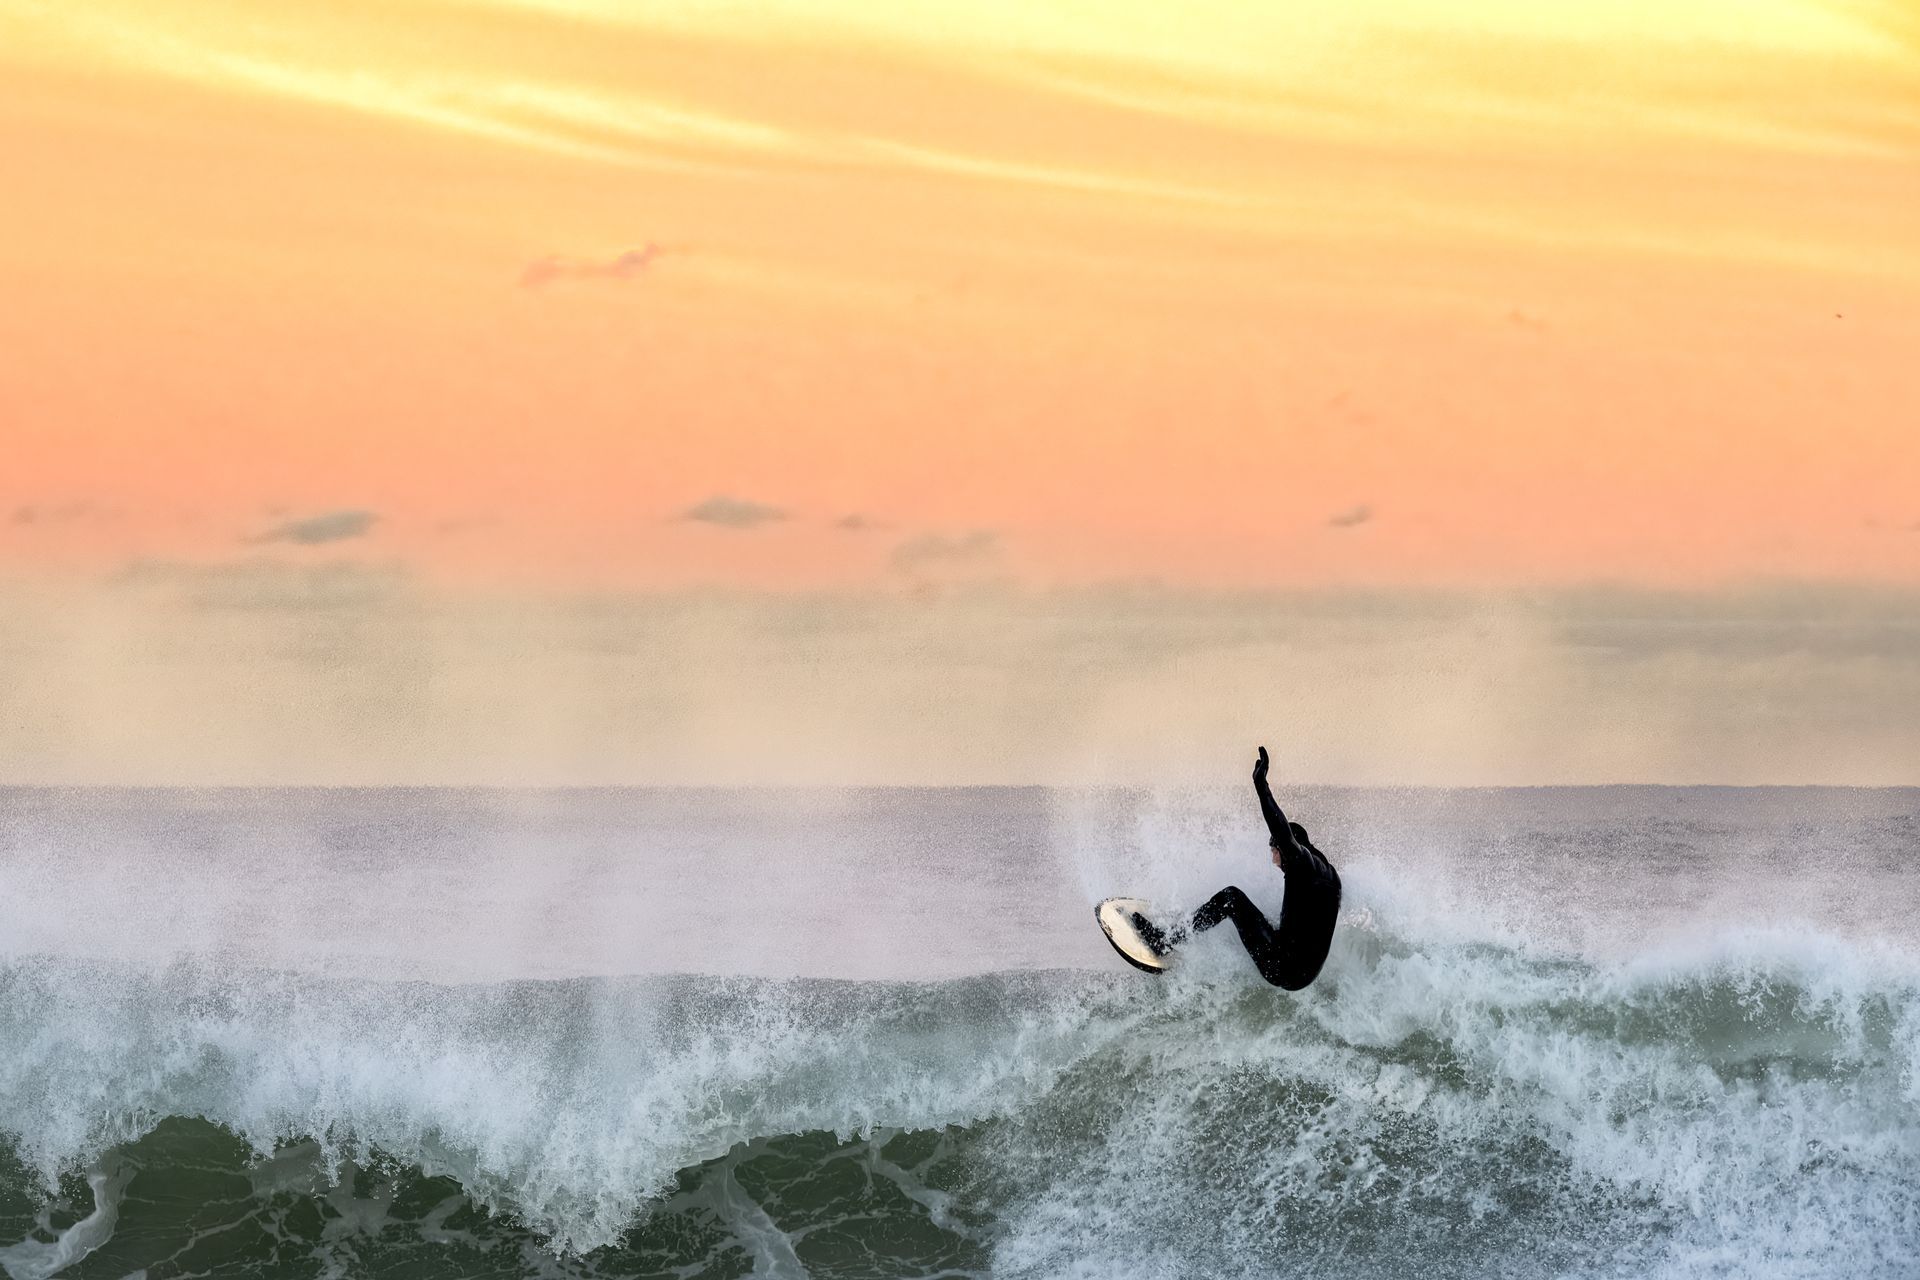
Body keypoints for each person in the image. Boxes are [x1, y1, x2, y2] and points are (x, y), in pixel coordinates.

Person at [1133, 746, 1342, 990]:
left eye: (1273, 849)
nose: (1272, 856)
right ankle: (1180, 931)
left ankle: (1164, 942)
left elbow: (1281, 830)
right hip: (1303, 973)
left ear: (1287, 849)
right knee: (1262, 918)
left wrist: (1261, 786)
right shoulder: (1329, 875)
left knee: (1231, 898)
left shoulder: (1301, 862)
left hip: (1282, 967)